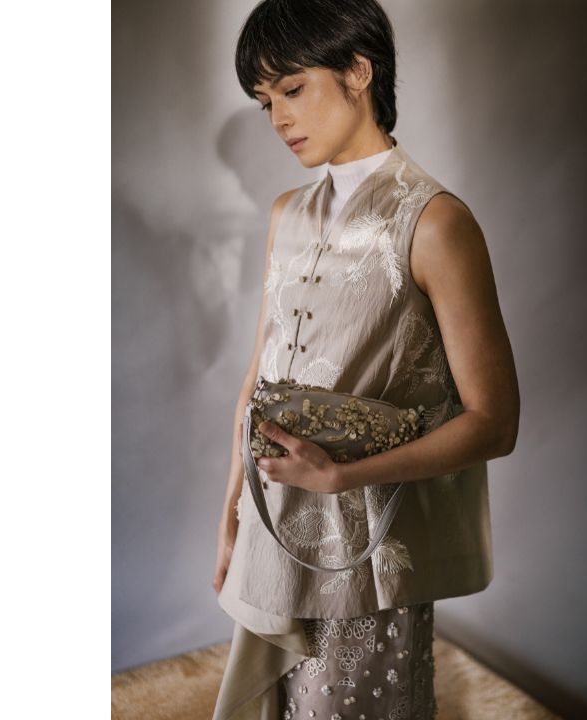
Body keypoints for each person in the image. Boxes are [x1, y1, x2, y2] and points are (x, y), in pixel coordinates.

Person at [213, 1, 519, 718]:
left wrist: (342, 475)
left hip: (369, 553)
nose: (278, 118)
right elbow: (257, 382)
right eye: (265, 101)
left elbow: (494, 422)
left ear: (358, 71)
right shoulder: (286, 213)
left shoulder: (436, 222)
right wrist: (230, 516)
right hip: (271, 531)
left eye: (292, 88)